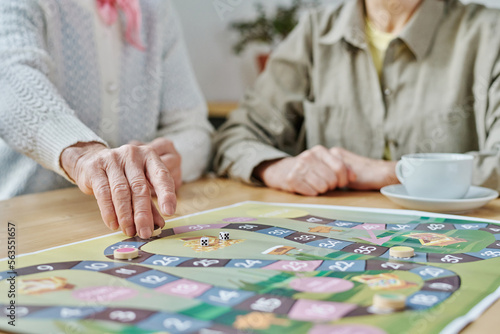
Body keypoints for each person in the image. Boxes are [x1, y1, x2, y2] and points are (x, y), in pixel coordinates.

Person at [214, 0, 500, 196]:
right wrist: (276, 168)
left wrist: (392, 173)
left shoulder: (490, 34)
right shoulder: (314, 33)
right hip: (334, 246)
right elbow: (237, 136)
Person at [0, 0, 213, 239]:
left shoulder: (157, 9)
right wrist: (83, 155)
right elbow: (10, 80)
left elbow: (192, 127)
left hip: (122, 230)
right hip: (24, 227)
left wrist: (166, 162)